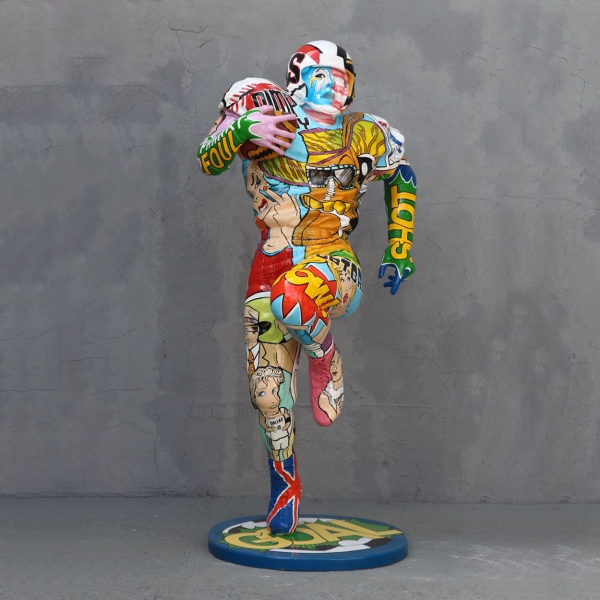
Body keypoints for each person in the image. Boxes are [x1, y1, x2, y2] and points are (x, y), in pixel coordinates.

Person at [198, 41, 417, 534]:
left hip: (332, 263)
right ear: (297, 80)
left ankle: (325, 355)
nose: (335, 87)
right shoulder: (264, 113)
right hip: (269, 265)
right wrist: (241, 128)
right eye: (322, 76)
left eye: (343, 78)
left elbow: (401, 174)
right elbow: (208, 159)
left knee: (292, 298)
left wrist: (399, 244)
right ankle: (285, 485)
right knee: (267, 396)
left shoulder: (364, 132)